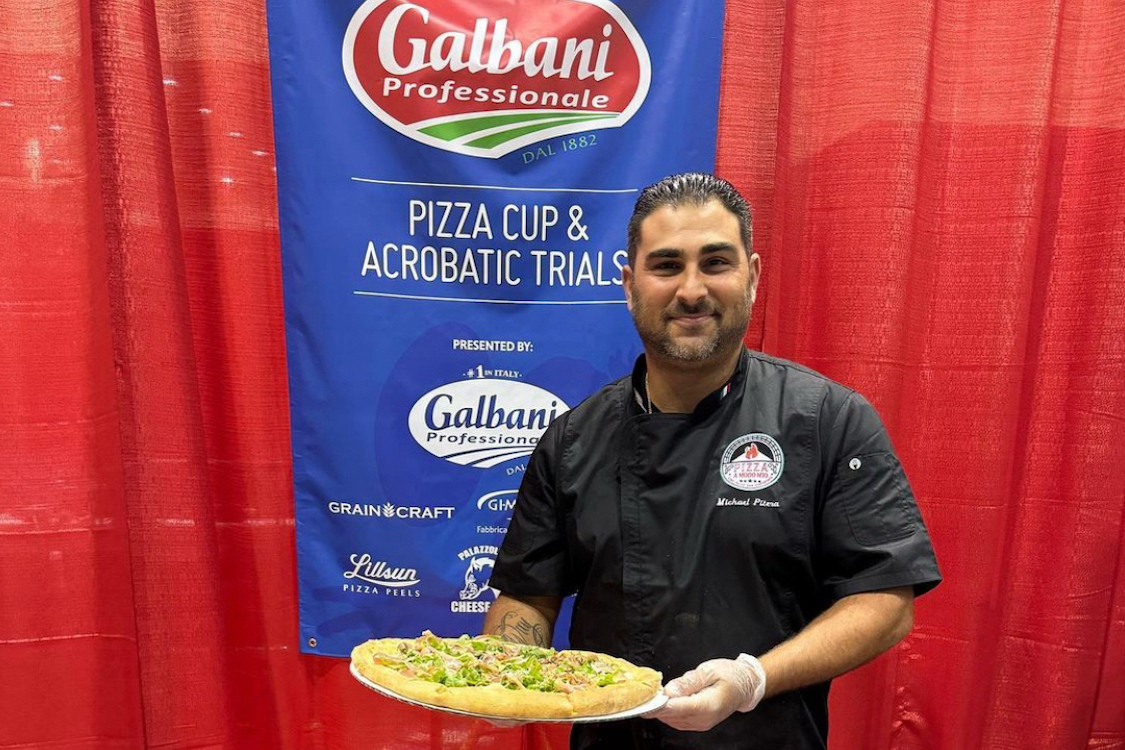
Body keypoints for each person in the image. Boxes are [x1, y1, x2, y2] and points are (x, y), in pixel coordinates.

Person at [483, 172, 942, 749]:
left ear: (753, 275)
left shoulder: (828, 421)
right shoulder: (572, 439)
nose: (692, 290)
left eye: (716, 263)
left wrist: (752, 679)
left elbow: (885, 601)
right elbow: (529, 594)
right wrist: (502, 677)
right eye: (667, 265)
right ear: (629, 284)